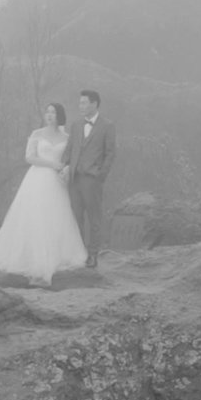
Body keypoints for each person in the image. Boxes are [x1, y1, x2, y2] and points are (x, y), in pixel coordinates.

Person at [0, 103, 87, 287]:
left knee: (56, 217)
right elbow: (29, 157)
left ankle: (56, 257)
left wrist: (66, 168)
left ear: (59, 115)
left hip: (57, 182)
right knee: (34, 216)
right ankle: (30, 259)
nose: (49, 115)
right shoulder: (37, 134)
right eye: (47, 112)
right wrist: (52, 165)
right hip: (37, 178)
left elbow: (70, 159)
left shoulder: (66, 137)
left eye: (53, 112)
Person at [66, 90, 115, 269]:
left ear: (94, 104)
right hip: (75, 179)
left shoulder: (107, 125)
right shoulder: (76, 125)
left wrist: (101, 176)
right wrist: (64, 167)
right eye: (80, 103)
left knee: (94, 218)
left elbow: (110, 153)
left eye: (84, 103)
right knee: (76, 218)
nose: (81, 106)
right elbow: (70, 148)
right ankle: (80, 254)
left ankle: (93, 254)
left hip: (93, 179)